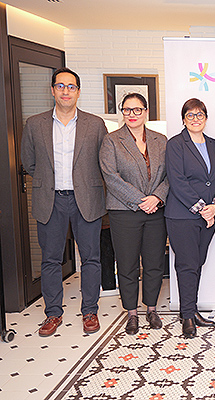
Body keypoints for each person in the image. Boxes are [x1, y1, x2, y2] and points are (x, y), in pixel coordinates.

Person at [20, 67, 108, 336]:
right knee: (50, 260)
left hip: (87, 199)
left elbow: (103, 162)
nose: (66, 91)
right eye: (60, 86)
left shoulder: (95, 124)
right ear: (52, 90)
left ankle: (90, 311)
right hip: (51, 200)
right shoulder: (34, 124)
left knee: (91, 259)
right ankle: (52, 314)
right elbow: (29, 163)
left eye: (71, 86)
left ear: (78, 92)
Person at [99, 93, 169, 335]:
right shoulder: (111, 141)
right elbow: (111, 177)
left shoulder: (161, 140)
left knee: (154, 263)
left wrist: (157, 197)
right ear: (122, 112)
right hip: (124, 212)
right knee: (127, 264)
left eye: (137, 109)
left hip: (156, 211)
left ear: (146, 112)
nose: (132, 114)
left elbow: (170, 175)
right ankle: (131, 312)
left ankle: (151, 309)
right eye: (127, 110)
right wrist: (141, 201)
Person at [165, 98, 215, 338]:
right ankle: (187, 316)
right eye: (190, 115)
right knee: (187, 264)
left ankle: (191, 309)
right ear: (183, 120)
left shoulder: (214, 145)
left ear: (206, 118)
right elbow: (177, 181)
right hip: (182, 215)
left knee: (197, 262)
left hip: (208, 216)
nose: (195, 119)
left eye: (200, 114)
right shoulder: (175, 144)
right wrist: (202, 209)